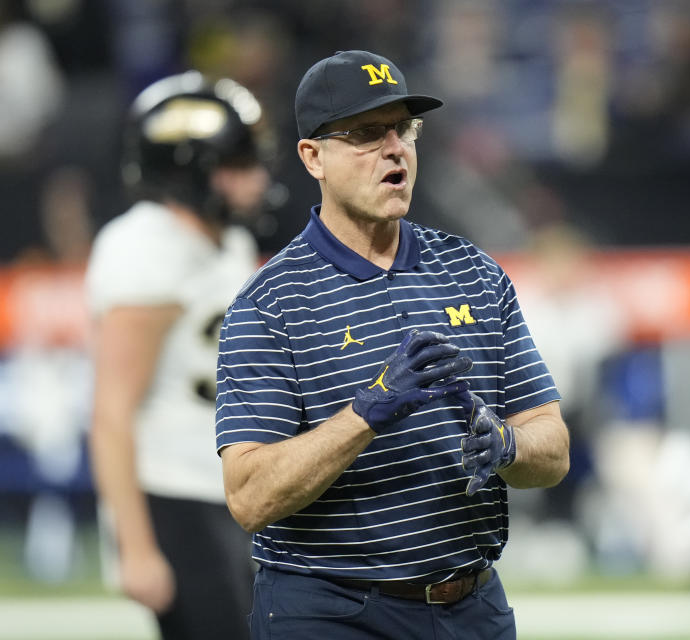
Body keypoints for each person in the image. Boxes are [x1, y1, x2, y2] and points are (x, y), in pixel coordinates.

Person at [215, 50, 570, 640]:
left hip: (473, 603)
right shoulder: (270, 303)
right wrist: (367, 412)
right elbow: (249, 497)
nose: (394, 148)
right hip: (332, 610)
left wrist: (507, 444)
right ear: (312, 157)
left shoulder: (474, 273)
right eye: (364, 133)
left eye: (403, 128)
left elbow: (553, 448)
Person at [86, 72, 271, 639]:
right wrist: (135, 547)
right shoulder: (144, 247)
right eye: (239, 165)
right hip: (172, 492)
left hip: (229, 489)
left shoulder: (230, 242)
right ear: (192, 170)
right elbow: (112, 414)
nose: (259, 178)